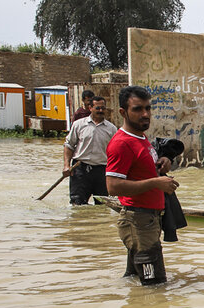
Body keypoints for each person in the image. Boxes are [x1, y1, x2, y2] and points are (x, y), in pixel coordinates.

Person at [105, 86, 177, 285]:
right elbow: (112, 186)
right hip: (138, 221)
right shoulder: (121, 143)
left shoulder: (141, 138)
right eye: (137, 109)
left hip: (148, 220)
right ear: (123, 112)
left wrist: (161, 165)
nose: (145, 114)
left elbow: (140, 172)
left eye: (147, 108)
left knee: (136, 281)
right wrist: (156, 182)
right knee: (155, 286)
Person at [63, 96, 117, 205]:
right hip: (80, 169)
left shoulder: (112, 129)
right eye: (98, 108)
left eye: (103, 108)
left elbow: (116, 153)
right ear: (90, 108)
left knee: (103, 206)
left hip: (102, 171)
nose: (101, 111)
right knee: (77, 204)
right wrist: (66, 165)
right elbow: (69, 145)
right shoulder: (79, 125)